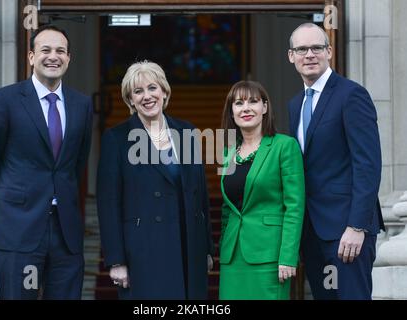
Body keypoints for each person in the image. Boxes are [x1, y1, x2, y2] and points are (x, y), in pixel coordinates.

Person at [0, 25, 93, 299]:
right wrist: (1, 216)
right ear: (31, 57)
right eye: (46, 50)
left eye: (60, 51)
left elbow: (76, 164)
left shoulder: (81, 104)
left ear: (69, 58)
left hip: (65, 235)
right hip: (18, 230)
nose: (53, 56)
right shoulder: (5, 100)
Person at [96, 60, 214, 299]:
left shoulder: (187, 131)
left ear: (164, 91)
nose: (146, 96)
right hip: (144, 250)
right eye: (138, 91)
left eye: (152, 88)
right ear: (130, 100)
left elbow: (200, 196)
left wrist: (207, 249)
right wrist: (116, 260)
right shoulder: (116, 139)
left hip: (188, 248)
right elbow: (108, 204)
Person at [287, 23, 384, 300]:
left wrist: (357, 226)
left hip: (346, 233)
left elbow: (367, 165)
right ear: (291, 56)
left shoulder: (351, 95)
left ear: (329, 51)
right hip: (314, 234)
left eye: (317, 47)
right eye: (301, 49)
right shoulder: (296, 105)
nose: (309, 54)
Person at [218, 80, 305, 300]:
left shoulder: (284, 146)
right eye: (238, 103)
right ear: (232, 112)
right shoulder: (228, 153)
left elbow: (294, 206)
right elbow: (227, 208)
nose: (245, 108)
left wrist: (288, 256)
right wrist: (221, 248)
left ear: (264, 107)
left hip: (270, 256)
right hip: (232, 257)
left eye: (253, 101)